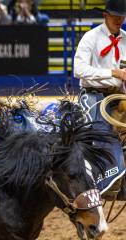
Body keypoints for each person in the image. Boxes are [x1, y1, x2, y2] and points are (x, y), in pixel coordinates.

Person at [74, 0, 126, 198]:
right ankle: (106, 180)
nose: (120, 19)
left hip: (118, 96)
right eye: (116, 16)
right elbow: (78, 70)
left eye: (122, 16)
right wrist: (112, 72)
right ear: (105, 15)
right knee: (103, 132)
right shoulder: (91, 38)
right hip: (93, 96)